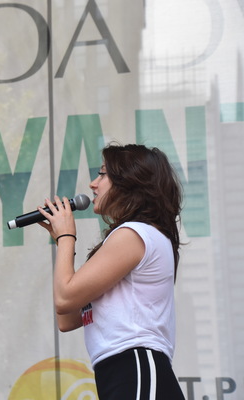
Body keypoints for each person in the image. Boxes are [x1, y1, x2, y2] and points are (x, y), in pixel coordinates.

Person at [37, 143, 185, 399]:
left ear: (130, 182)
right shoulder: (131, 236)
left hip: (136, 366)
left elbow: (65, 298)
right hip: (118, 372)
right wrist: (63, 242)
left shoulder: (133, 234)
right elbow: (67, 318)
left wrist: (67, 237)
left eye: (103, 174)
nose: (93, 184)